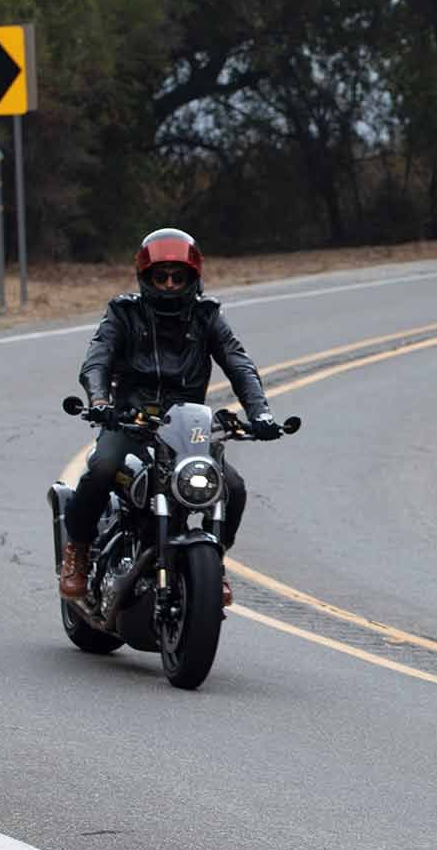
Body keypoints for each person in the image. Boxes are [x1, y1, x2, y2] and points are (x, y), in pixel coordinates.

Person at [57, 227, 281, 605]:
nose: (170, 284)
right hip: (130, 420)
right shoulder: (123, 313)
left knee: (234, 487)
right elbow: (97, 359)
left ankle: (215, 562)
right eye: (161, 276)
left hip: (186, 428)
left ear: (193, 277)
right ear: (147, 277)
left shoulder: (207, 316)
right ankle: (77, 551)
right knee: (102, 467)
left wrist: (261, 413)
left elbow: (239, 364)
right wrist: (99, 401)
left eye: (179, 276)